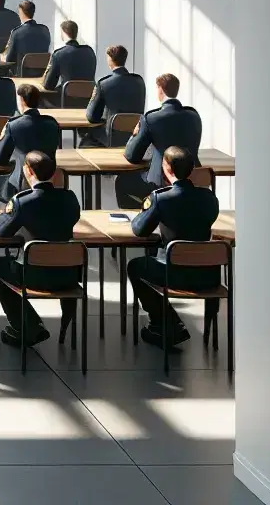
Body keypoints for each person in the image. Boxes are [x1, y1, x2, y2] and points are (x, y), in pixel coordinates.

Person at [127, 146, 221, 349]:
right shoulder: (209, 198)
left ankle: (164, 322)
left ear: (167, 168)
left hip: (174, 273)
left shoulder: (161, 198)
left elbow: (139, 230)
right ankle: (209, 332)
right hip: (208, 275)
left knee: (135, 266)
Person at [0, 151, 83, 346]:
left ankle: (27, 325)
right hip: (68, 275)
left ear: (27, 171)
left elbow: (1, 230)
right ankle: (64, 328)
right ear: (54, 173)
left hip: (32, 276)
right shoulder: (69, 198)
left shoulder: (23, 202)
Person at [116, 73, 204, 208]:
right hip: (194, 178)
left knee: (122, 181)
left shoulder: (151, 118)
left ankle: (144, 217)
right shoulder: (194, 115)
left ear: (160, 89)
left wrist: (135, 135)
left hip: (162, 181)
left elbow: (132, 156)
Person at [0, 85, 63, 208]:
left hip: (23, 183)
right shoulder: (52, 124)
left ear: (22, 100)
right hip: (51, 180)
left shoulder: (14, 126)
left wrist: (2, 136)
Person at [84, 45, 147, 146]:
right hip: (135, 135)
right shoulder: (139, 81)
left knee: (87, 139)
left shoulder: (104, 83)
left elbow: (91, 116)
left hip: (111, 136)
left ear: (110, 60)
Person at [42, 20, 98, 95]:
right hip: (88, 99)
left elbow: (48, 85)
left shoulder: (59, 54)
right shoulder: (89, 52)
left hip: (67, 99)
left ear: (63, 33)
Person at [3, 0, 52, 68]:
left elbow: (9, 59)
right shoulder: (45, 30)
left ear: (21, 12)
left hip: (22, 74)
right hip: (42, 72)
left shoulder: (16, 32)